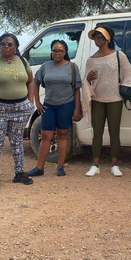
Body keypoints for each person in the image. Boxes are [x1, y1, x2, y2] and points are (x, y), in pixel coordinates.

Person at [0, 33, 37, 188]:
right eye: (3, 43)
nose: (6, 46)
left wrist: (30, 102)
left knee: (17, 142)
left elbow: (31, 82)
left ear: (16, 46)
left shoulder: (23, 62)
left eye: (9, 44)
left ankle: (19, 173)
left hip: (20, 109)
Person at [82, 25, 131, 177]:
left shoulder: (119, 56)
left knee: (114, 132)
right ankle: (95, 164)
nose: (96, 39)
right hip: (97, 99)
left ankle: (114, 164)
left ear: (108, 38)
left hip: (115, 99)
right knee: (97, 133)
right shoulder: (91, 60)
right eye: (95, 37)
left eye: (99, 36)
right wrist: (87, 79)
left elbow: (129, 74)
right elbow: (86, 81)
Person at [26, 40, 83, 177]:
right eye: (55, 50)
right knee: (46, 136)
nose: (57, 53)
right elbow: (35, 82)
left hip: (66, 105)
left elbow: (76, 89)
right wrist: (37, 102)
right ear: (51, 52)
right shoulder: (45, 66)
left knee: (62, 135)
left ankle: (60, 166)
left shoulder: (72, 67)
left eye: (60, 51)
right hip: (49, 106)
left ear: (65, 52)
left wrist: (77, 108)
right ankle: (39, 167)